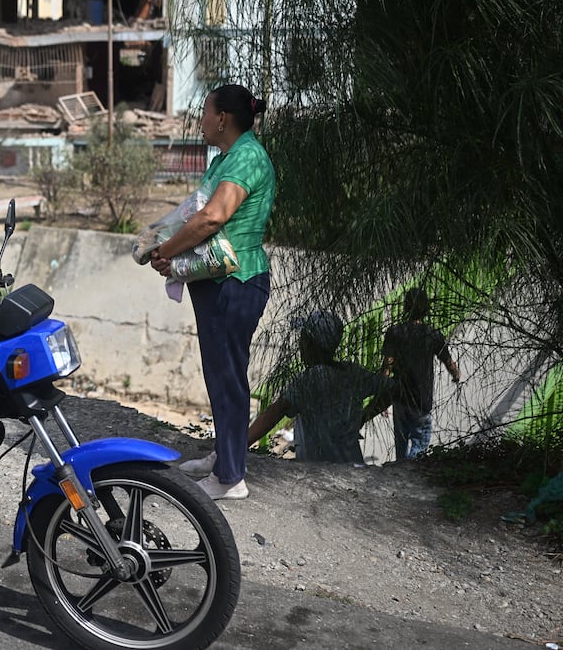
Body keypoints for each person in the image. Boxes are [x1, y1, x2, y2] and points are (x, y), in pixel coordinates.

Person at [149, 84, 275, 500]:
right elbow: (197, 212)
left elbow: (211, 218)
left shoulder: (247, 157)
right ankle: (224, 455)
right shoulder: (226, 158)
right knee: (220, 374)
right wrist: (163, 243)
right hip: (217, 281)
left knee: (228, 377)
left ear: (222, 118)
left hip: (236, 283)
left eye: (205, 111)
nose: (200, 119)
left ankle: (230, 477)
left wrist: (167, 250)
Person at [246, 311, 394, 464]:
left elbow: (277, 411)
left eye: (303, 339)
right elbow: (392, 389)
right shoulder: (353, 372)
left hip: (321, 470)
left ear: (310, 345)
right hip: (353, 465)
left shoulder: (311, 378)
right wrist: (365, 416)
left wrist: (243, 443)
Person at [382, 288, 460, 460]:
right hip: (422, 399)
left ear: (405, 307)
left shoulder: (395, 333)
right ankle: (410, 472)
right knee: (419, 444)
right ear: (426, 309)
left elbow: (387, 364)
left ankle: (400, 471)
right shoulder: (432, 335)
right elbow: (447, 360)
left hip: (399, 397)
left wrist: (384, 393)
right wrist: (456, 374)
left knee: (400, 443)